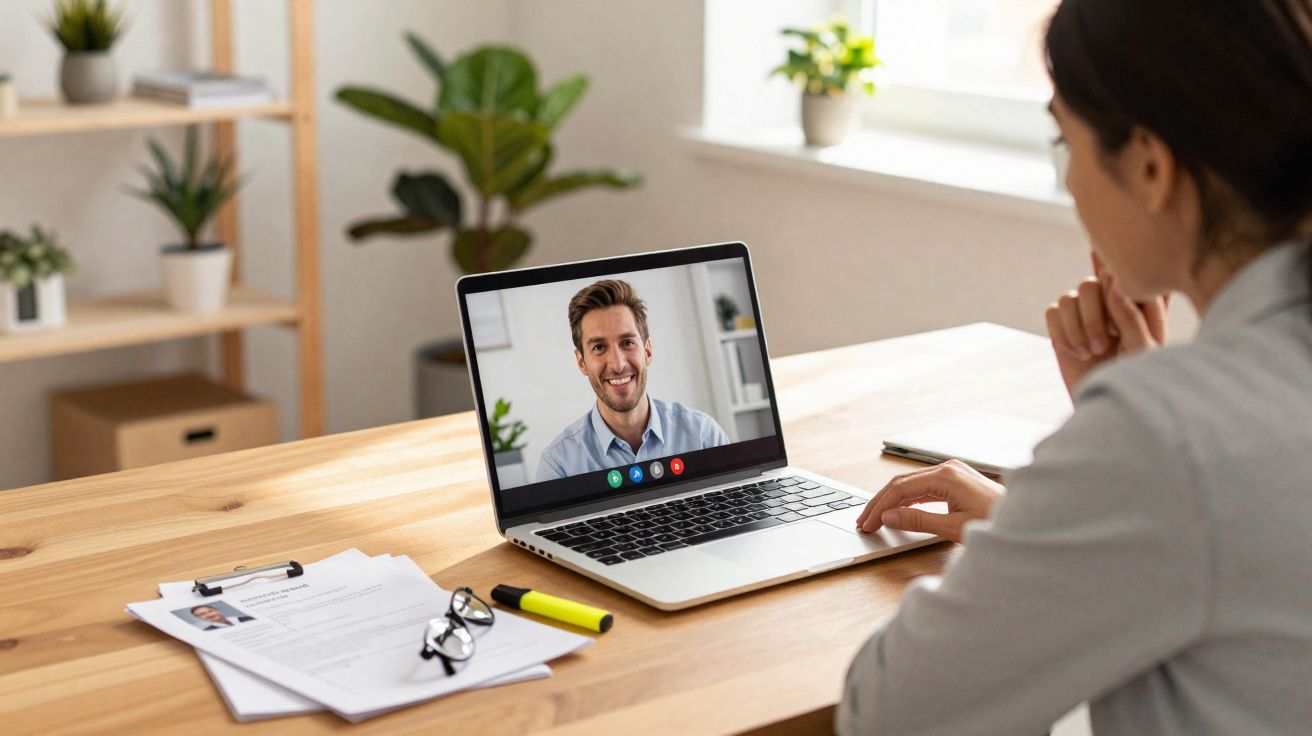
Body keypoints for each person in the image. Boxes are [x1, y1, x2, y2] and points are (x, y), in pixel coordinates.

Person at [839, 2, 1312, 734]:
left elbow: (889, 712)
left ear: (1152, 166)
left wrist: (1111, 449)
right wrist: (1053, 517)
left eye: (1067, 140)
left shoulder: (1167, 431)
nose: (1068, 184)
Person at [537, 279, 730, 482]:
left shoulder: (703, 436)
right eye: (599, 347)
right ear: (582, 362)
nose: (618, 365)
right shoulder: (559, 465)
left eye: (627, 343)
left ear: (647, 350)